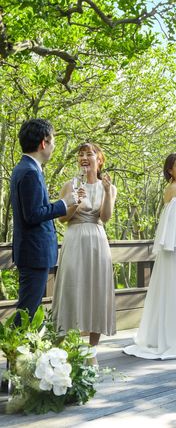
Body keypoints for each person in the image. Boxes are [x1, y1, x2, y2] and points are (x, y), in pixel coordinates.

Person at [123, 153, 176, 360]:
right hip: (175, 247)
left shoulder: (172, 189)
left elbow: (175, 222)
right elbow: (175, 224)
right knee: (175, 289)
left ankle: (166, 336)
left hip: (175, 245)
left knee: (170, 289)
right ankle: (173, 340)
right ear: (170, 170)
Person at [52, 143, 117, 363]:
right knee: (70, 288)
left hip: (97, 240)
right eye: (80, 154)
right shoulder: (69, 185)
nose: (84, 157)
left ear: (99, 160)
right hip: (74, 238)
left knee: (97, 290)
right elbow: (62, 218)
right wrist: (75, 202)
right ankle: (59, 348)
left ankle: (92, 351)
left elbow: (105, 217)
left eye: (89, 154)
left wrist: (106, 192)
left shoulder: (108, 187)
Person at [10, 119, 77, 320]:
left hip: (31, 252)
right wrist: (64, 203)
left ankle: (26, 341)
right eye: (53, 141)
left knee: (29, 310)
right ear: (43, 142)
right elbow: (32, 215)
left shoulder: (25, 168)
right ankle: (20, 341)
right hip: (34, 253)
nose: (54, 146)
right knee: (27, 313)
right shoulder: (30, 172)